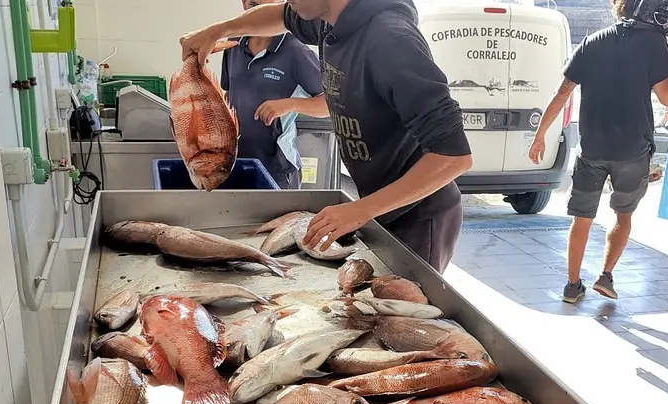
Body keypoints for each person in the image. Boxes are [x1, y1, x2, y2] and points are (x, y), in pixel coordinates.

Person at [183, 0, 473, 272]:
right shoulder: (327, 18)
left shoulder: (392, 41)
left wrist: (360, 210)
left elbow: (454, 157)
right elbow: (279, 15)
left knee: (402, 312)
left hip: (419, 215)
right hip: (380, 206)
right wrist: (218, 30)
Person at [528, 1, 668, 304]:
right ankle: (605, 276)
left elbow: (562, 91)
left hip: (592, 148)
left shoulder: (592, 41)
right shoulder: (654, 43)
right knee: (623, 216)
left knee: (582, 218)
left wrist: (540, 135)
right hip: (632, 149)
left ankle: (572, 286)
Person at [221, 0, 328, 190]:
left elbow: (330, 105)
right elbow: (229, 95)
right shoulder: (232, 45)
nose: (258, 14)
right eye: (253, 5)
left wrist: (291, 104)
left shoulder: (296, 52)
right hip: (234, 163)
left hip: (276, 168)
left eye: (266, 7)